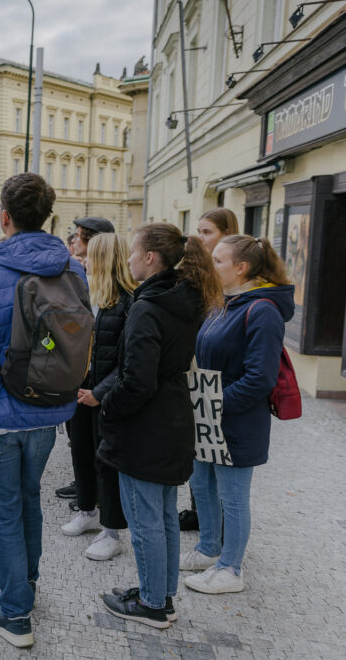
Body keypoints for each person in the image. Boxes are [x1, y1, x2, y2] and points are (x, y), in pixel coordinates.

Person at [0, 174, 85, 648]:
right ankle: (26, 583)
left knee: (4, 512)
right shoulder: (73, 270)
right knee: (29, 498)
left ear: (4, 218)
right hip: (48, 408)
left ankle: (14, 613)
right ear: (47, 216)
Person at [97, 223, 223, 629]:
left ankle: (152, 604)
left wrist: (108, 409)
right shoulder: (182, 298)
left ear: (151, 258)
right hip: (171, 420)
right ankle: (161, 595)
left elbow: (136, 380)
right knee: (164, 515)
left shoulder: (150, 306)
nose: (130, 258)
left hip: (147, 428)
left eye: (134, 252)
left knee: (147, 519)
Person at [181, 236, 294, 594]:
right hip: (208, 414)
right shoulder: (224, 303)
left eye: (218, 260)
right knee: (202, 485)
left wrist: (215, 405)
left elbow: (260, 377)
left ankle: (231, 568)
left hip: (236, 419)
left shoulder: (262, 310)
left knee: (232, 495)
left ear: (240, 268)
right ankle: (209, 548)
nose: (210, 266)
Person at [62, 233, 137, 561]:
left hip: (104, 394)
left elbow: (127, 360)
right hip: (78, 389)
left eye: (90, 255)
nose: (84, 260)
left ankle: (112, 531)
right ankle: (87, 509)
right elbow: (65, 335)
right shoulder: (84, 293)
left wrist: (99, 392)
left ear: (104, 258)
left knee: (106, 462)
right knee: (80, 452)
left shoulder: (127, 301)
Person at [180, 208, 240, 531]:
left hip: (218, 377)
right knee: (198, 450)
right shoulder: (201, 270)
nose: (199, 237)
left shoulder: (228, 277)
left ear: (225, 233)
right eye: (199, 230)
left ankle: (216, 524)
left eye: (207, 232)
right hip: (196, 370)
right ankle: (198, 511)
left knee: (215, 453)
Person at [54, 216, 116, 502]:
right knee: (77, 438)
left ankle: (98, 499)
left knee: (97, 442)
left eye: (79, 236)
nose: (74, 240)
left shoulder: (112, 285)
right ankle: (84, 489)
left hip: (100, 375)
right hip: (75, 370)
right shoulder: (78, 275)